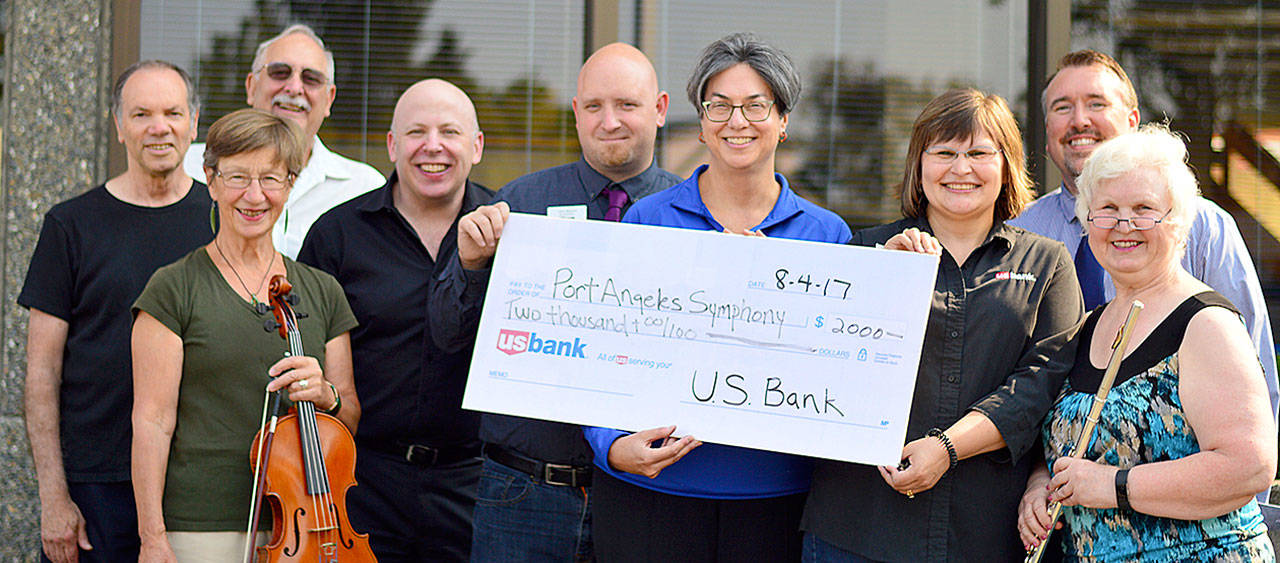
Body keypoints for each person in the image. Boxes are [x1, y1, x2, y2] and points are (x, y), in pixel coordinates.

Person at [581, 33, 852, 562]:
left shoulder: (826, 235)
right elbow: (602, 351)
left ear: (783, 120)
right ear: (701, 122)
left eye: (756, 106)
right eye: (719, 106)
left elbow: (841, 370)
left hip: (781, 501)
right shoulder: (648, 220)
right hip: (652, 496)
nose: (737, 121)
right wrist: (610, 445)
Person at [801, 89, 1083, 562]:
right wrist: (874, 279)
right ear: (919, 164)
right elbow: (818, 362)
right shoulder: (866, 251)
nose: (961, 169)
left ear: (1007, 164)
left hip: (985, 535)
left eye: (978, 153)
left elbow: (1043, 382)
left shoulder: (1047, 262)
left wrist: (947, 448)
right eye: (944, 153)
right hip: (857, 530)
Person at [430, 42, 681, 561]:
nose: (609, 121)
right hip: (522, 493)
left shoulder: (691, 214)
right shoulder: (517, 205)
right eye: (593, 107)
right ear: (576, 112)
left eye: (626, 105)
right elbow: (446, 334)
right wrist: (473, 266)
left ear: (659, 109)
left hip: (649, 497)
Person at [1017, 124, 1276, 561]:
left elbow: (1248, 465)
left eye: (1144, 209)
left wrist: (1115, 485)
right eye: (1108, 208)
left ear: (1178, 223)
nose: (1124, 224)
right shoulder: (1088, 326)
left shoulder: (1205, 323)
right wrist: (1040, 484)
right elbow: (1073, 441)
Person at [131, 108, 360, 562]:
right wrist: (152, 537)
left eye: (271, 179)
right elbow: (152, 422)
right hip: (202, 528)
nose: (254, 195)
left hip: (307, 528)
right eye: (237, 177)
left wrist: (326, 394)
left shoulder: (322, 290)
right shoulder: (175, 287)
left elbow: (348, 414)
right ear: (211, 180)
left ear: (290, 185)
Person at [1008, 50, 1279, 432]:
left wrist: (1251, 477)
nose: (1079, 120)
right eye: (1062, 107)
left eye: (1096, 103)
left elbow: (1254, 365)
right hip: (1050, 471)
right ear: (1047, 132)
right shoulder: (1020, 235)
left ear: (1133, 120)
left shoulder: (1202, 225)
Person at [19, 60, 212, 563]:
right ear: (119, 126)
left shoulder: (222, 220)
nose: (159, 127)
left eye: (173, 112)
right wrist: (53, 496)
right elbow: (42, 371)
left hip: (194, 484)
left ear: (193, 122)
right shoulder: (70, 225)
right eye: (141, 113)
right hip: (94, 488)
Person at [297, 79, 492, 562]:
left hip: (477, 485)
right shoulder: (337, 235)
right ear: (391, 144)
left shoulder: (510, 231)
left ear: (476, 146)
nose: (433, 146)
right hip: (363, 483)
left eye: (449, 131)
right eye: (415, 132)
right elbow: (302, 357)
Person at [183, 24, 383, 259]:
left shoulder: (365, 190)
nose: (295, 88)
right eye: (280, 72)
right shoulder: (190, 168)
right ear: (251, 86)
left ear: (329, 100)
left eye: (311, 79)